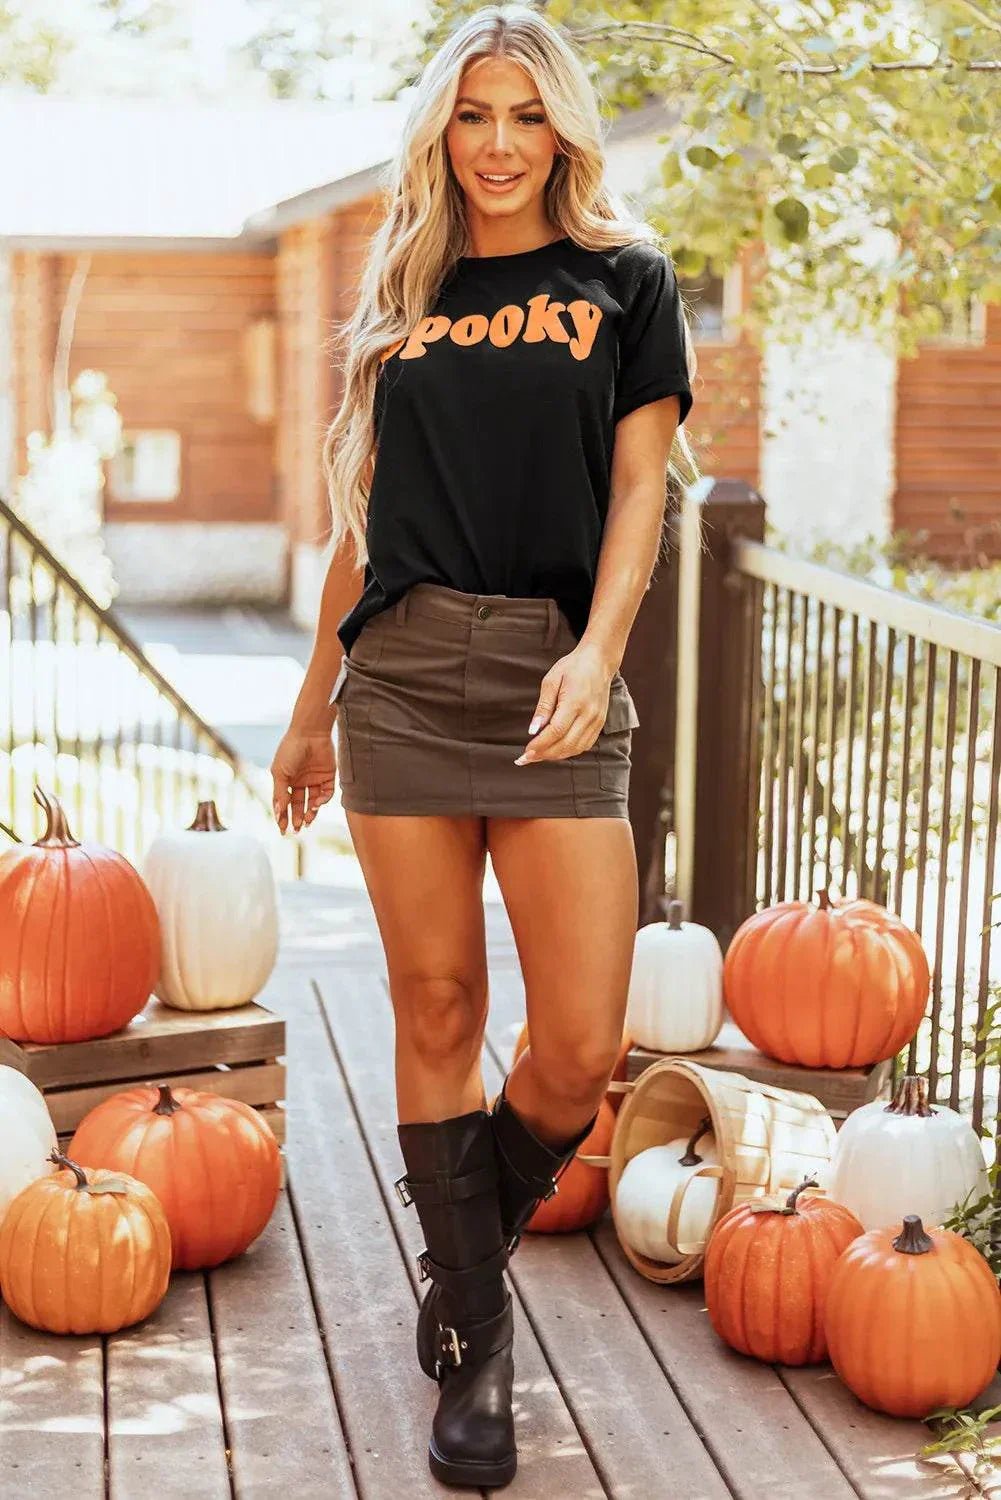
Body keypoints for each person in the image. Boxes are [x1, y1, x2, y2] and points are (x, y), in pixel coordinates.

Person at [270, 4, 696, 1489]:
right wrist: (307, 707)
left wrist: (595, 649)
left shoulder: (624, 283)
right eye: (473, 115)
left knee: (579, 1045)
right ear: (438, 133)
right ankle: (476, 1335)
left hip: (552, 676)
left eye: (525, 115)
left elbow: (639, 493)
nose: (499, 143)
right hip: (398, 674)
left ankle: (457, 1265)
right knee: (438, 1001)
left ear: (560, 128)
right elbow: (359, 518)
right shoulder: (404, 283)